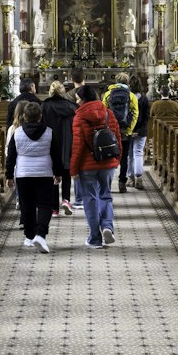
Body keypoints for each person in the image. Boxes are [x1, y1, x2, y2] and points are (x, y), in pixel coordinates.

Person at [6, 102, 63, 254]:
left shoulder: (16, 133)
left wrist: (9, 176)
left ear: (24, 117)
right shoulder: (49, 132)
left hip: (23, 174)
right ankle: (40, 235)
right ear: (40, 116)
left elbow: (11, 156)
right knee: (45, 205)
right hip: (44, 173)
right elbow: (56, 155)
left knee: (27, 206)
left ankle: (29, 236)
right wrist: (58, 173)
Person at [71, 84, 121, 249]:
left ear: (84, 99)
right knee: (105, 195)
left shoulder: (79, 117)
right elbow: (117, 136)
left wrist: (73, 169)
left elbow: (77, 146)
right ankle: (107, 226)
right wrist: (117, 157)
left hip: (87, 165)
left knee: (90, 200)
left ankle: (95, 239)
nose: (76, 102)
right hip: (107, 162)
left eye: (78, 98)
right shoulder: (108, 113)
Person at [42, 80, 77, 214]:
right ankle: (66, 200)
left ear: (50, 92)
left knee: (52, 172)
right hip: (67, 141)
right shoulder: (71, 106)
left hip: (49, 141)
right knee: (66, 170)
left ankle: (53, 207)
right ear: (63, 92)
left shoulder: (44, 106)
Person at [103, 71, 139, 193]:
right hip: (125, 131)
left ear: (116, 81)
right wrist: (129, 128)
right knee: (124, 157)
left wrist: (106, 127)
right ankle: (122, 182)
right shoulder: (132, 96)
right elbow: (135, 113)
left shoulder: (108, 94)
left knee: (109, 156)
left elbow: (104, 112)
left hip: (110, 131)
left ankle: (107, 183)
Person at [128, 74, 151, 189]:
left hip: (129, 130)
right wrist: (140, 130)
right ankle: (139, 178)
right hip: (141, 131)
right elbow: (146, 117)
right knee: (138, 153)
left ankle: (130, 178)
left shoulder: (127, 98)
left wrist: (131, 129)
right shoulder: (144, 99)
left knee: (130, 155)